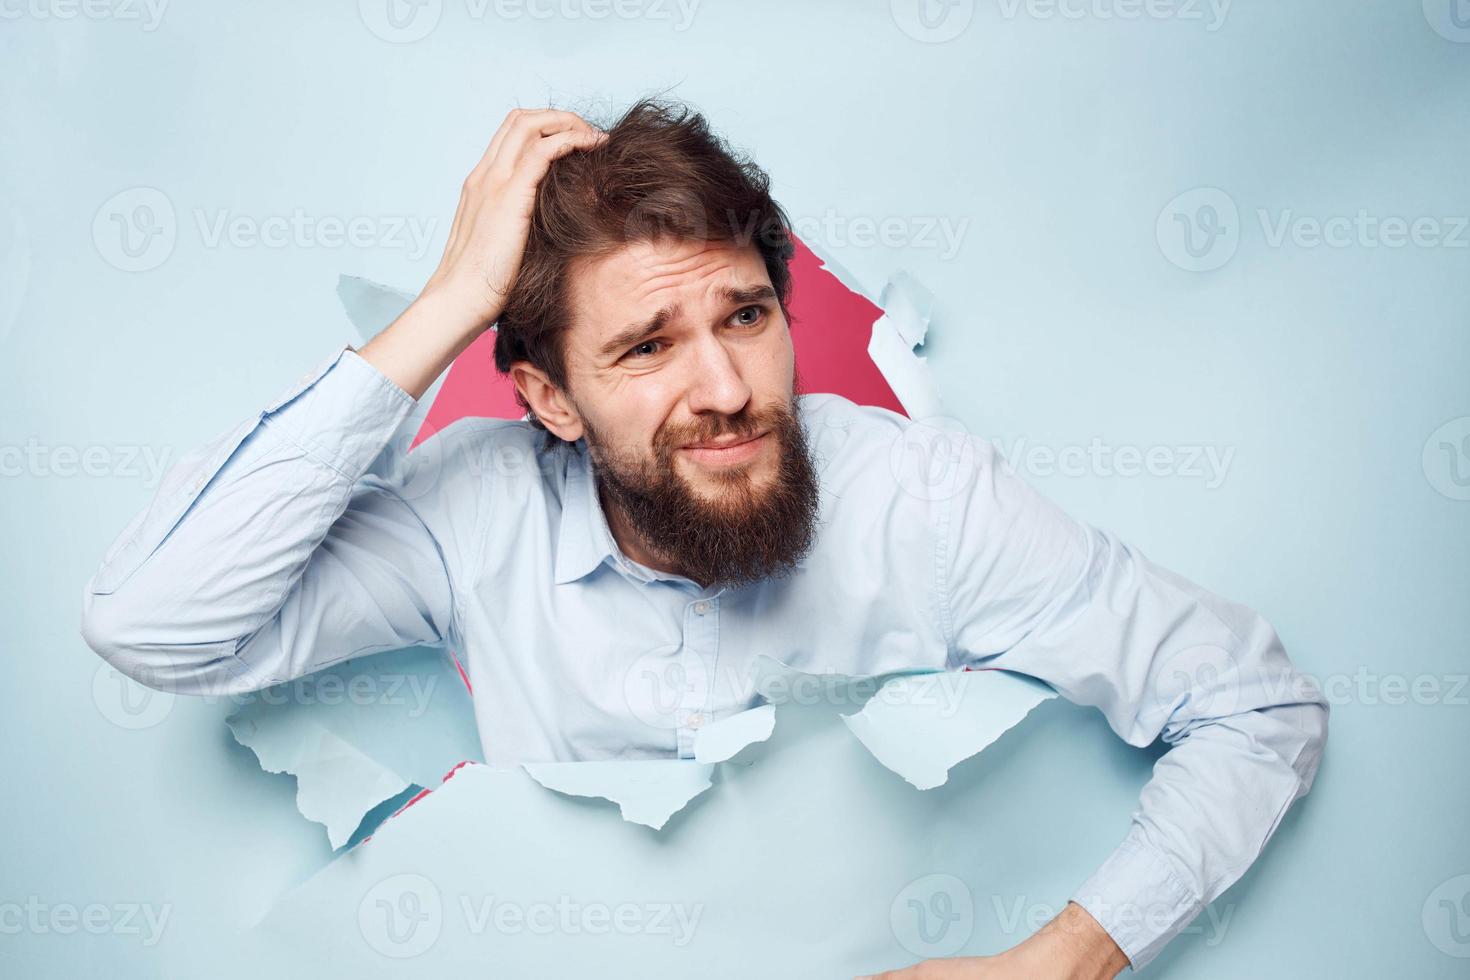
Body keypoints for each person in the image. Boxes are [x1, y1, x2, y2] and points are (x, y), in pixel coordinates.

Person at [79, 99, 1328, 978]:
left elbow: (1254, 706)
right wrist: (452, 300)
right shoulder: (476, 512)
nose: (729, 385)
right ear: (550, 399)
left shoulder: (923, 501)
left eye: (746, 315)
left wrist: (1062, 959)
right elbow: (152, 624)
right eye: (646, 345)